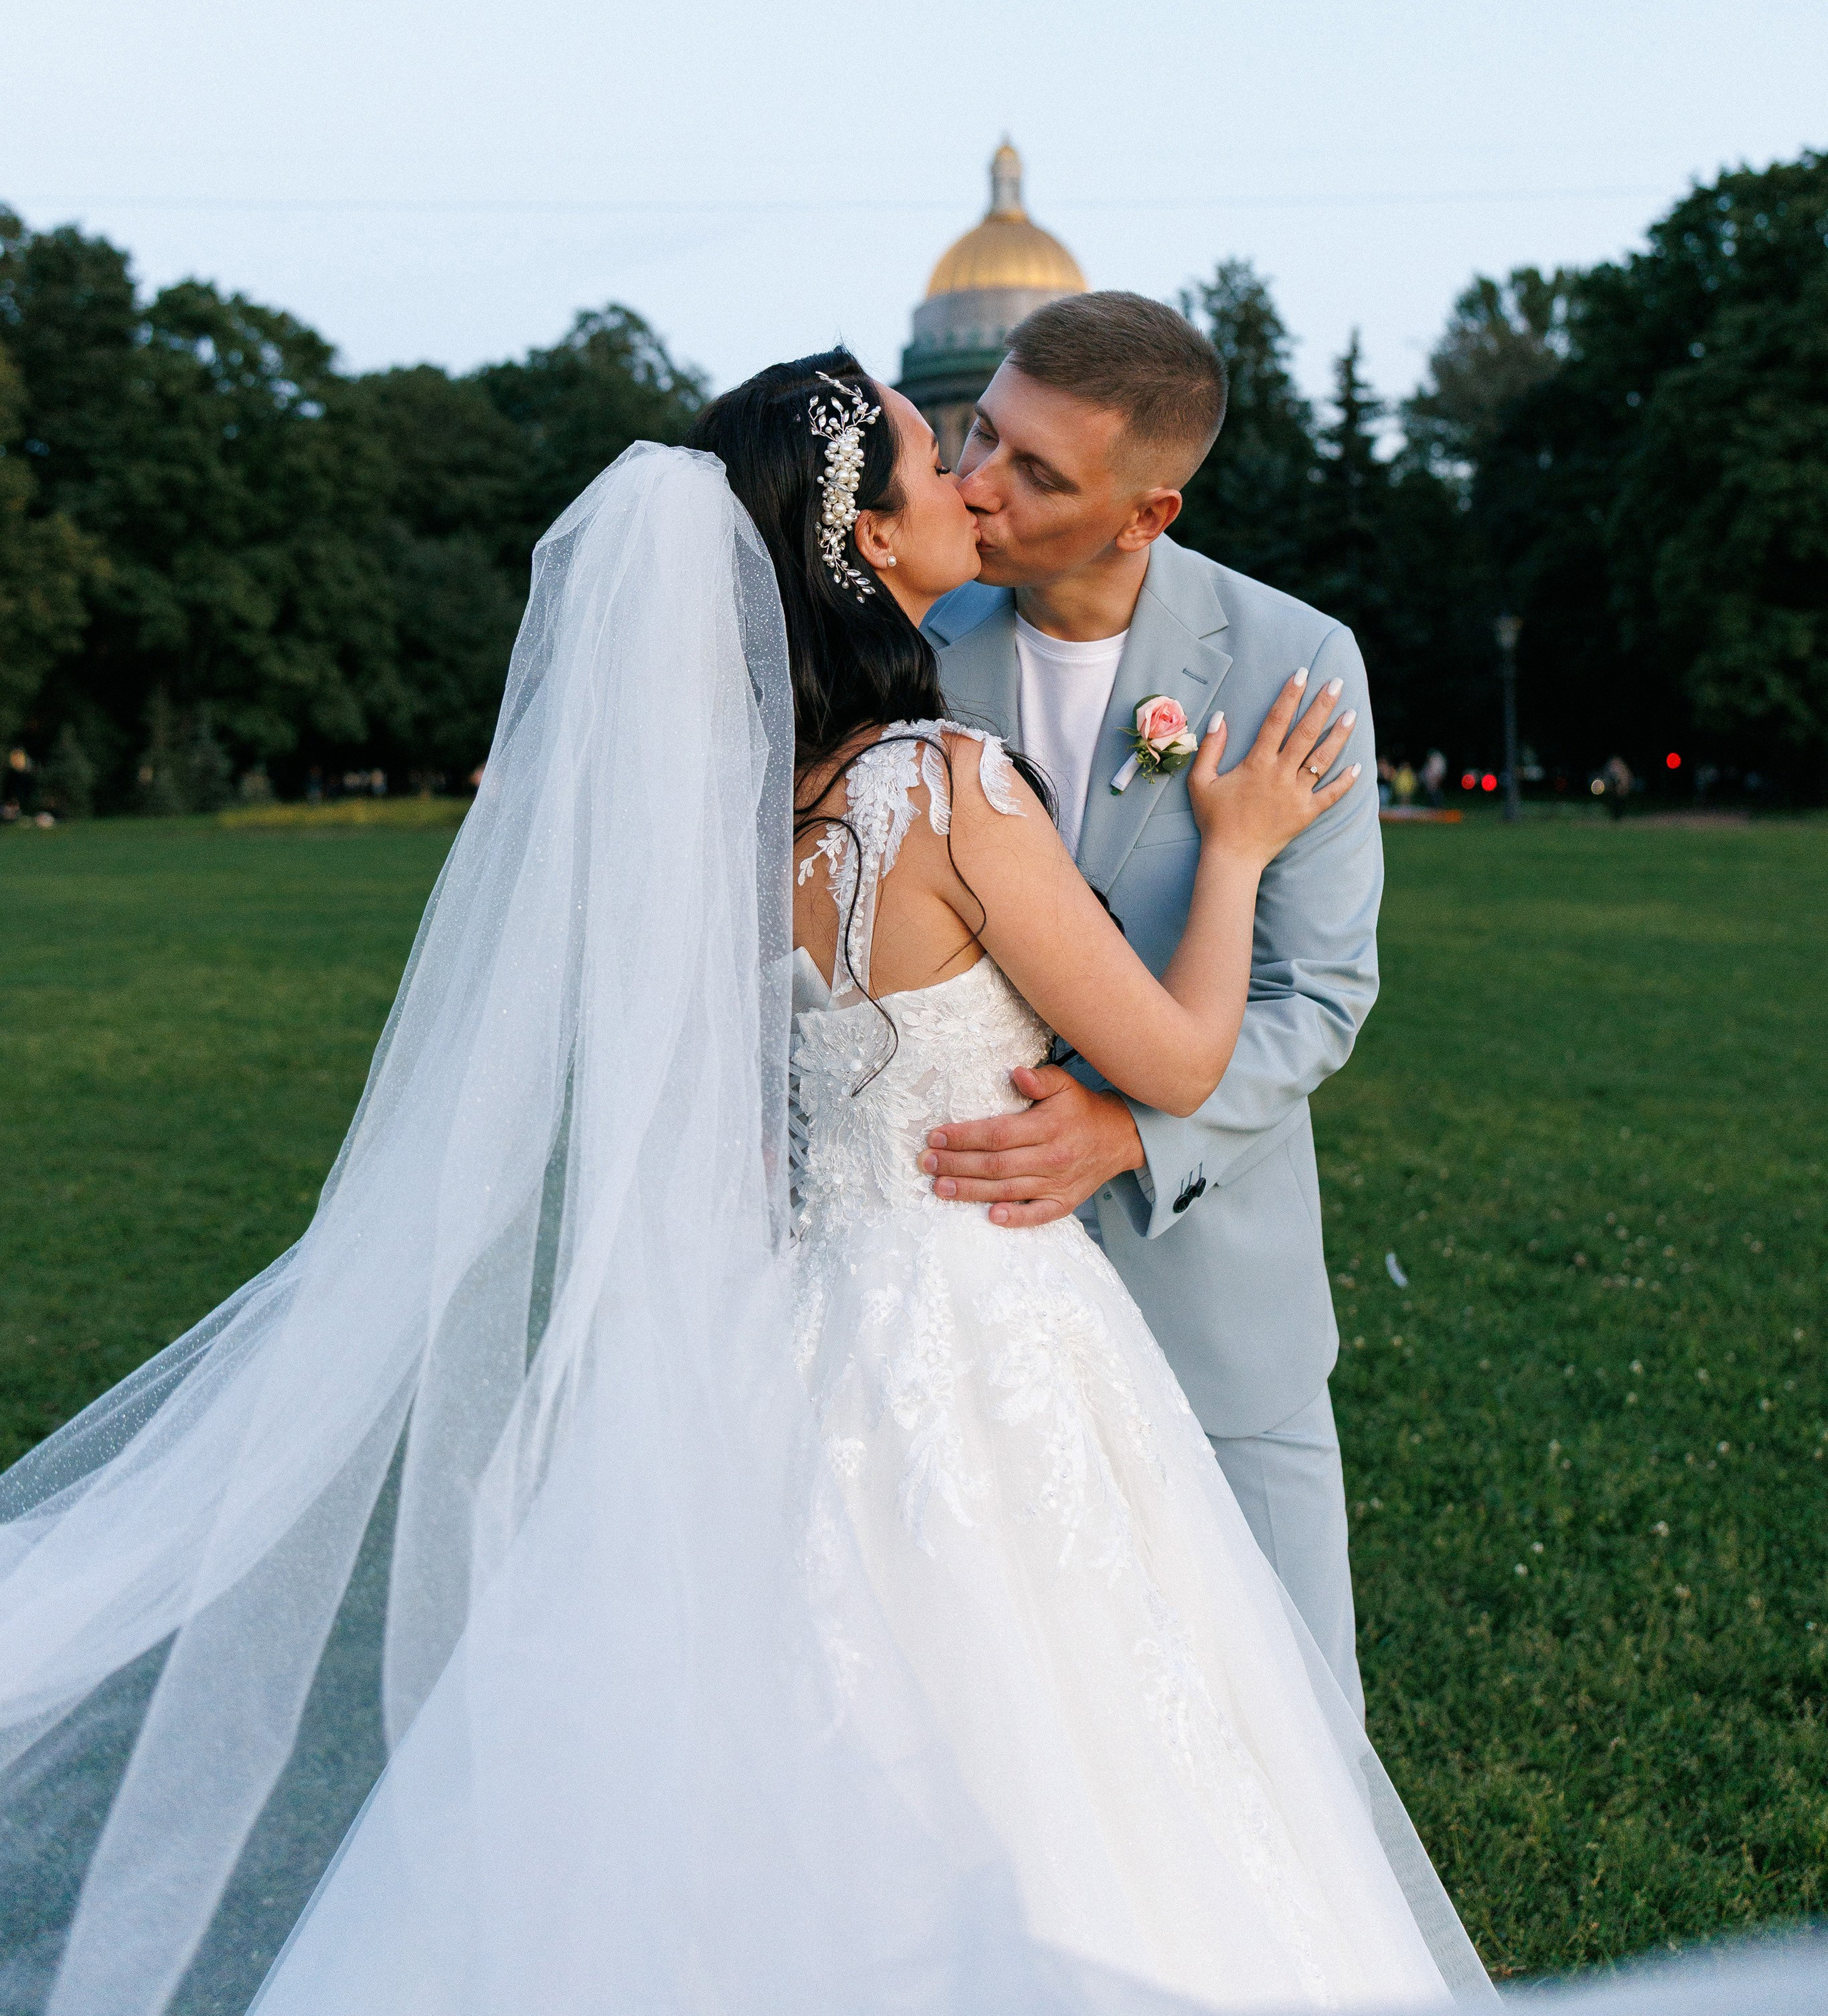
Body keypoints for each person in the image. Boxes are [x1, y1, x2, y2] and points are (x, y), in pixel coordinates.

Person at [0, 370, 1488, 2016]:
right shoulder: (947, 783)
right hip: (991, 1329)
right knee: (1076, 1732)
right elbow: (1187, 1057)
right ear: (865, 538)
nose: (971, 484)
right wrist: (1234, 845)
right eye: (939, 458)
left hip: (805, 1331)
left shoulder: (737, 813)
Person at [923, 293, 1377, 1714]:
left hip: (1215, 1295)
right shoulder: (907, 638)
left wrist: (1128, 1131)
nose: (975, 484)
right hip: (965, 1274)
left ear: (1144, 513)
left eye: (1036, 474)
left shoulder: (1291, 662)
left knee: (1292, 1720)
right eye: (979, 433)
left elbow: (1318, 996)